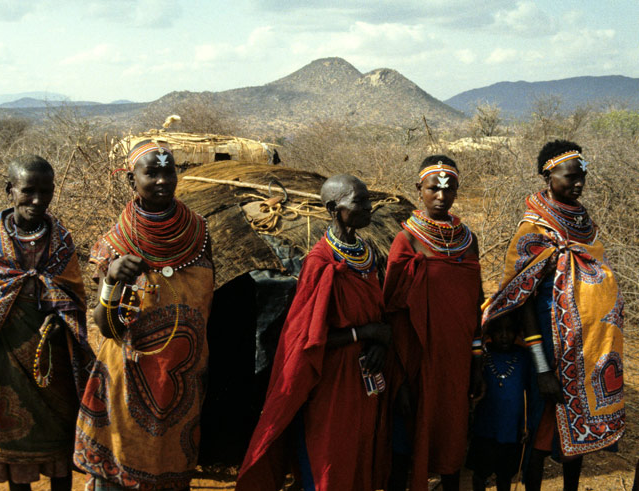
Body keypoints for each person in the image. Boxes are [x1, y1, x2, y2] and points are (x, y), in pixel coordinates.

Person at [0, 155, 93, 490]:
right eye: (28, 191)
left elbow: (73, 293)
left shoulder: (61, 239)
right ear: (10, 190)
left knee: (59, 436)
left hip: (51, 356)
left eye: (46, 191)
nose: (37, 200)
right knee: (14, 441)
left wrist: (59, 315)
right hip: (3, 356)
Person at [481, 140, 624, 491]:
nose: (579, 183)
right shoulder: (535, 229)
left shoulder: (583, 222)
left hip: (589, 351)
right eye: (571, 177)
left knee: (575, 443)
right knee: (541, 434)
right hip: (551, 351)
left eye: (582, 176)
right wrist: (542, 366)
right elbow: (523, 298)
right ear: (549, 175)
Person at [236, 174, 392, 491]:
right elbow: (307, 340)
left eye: (367, 200)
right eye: (359, 201)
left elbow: (379, 316)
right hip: (332, 382)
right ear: (335, 208)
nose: (369, 207)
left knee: (359, 458)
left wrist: (379, 344)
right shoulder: (320, 263)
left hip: (365, 381)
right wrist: (366, 333)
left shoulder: (368, 253)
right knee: (329, 462)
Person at [73, 139, 213, 490]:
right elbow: (105, 327)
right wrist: (111, 279)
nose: (163, 180)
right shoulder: (115, 244)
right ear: (130, 179)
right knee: (121, 462)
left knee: (172, 460)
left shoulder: (201, 232)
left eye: (169, 171)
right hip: (129, 373)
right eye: (151, 172)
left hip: (182, 374)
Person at [383, 155, 483, 491]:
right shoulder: (406, 240)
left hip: (455, 359)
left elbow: (475, 301)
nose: (441, 196)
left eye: (449, 189)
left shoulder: (468, 239)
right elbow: (393, 308)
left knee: (452, 434)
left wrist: (476, 358)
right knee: (406, 441)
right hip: (417, 357)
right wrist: (400, 371)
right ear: (419, 189)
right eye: (433, 188)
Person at [466, 315, 530, 491]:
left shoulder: (523, 358)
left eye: (509, 330)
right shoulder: (482, 358)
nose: (504, 335)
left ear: (516, 332)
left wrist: (525, 424)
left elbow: (527, 393)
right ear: (490, 332)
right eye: (499, 330)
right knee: (480, 474)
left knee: (505, 476)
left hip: (511, 431)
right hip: (484, 429)